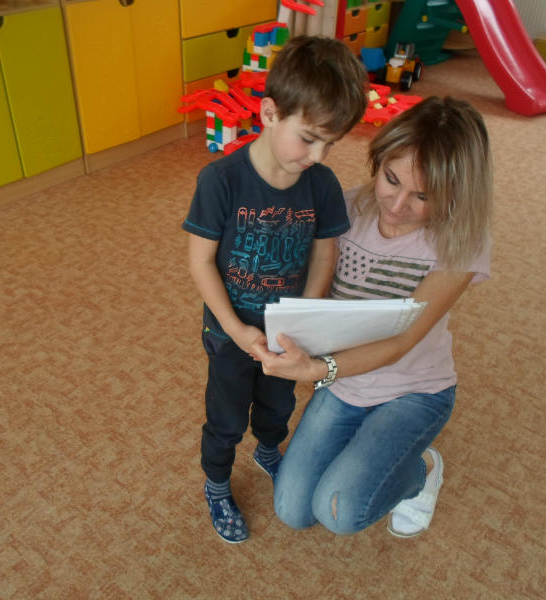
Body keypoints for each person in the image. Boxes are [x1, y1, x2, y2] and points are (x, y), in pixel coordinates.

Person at [253, 96, 493, 538]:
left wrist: (316, 369)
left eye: (423, 196)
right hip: (345, 383)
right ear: (378, 160)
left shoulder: (462, 239)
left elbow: (401, 342)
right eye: (391, 179)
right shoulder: (344, 207)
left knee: (339, 512)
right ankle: (378, 451)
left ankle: (422, 470)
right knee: (293, 510)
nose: (398, 205)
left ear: (456, 194)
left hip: (414, 390)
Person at [182, 35, 368, 543]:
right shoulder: (220, 181)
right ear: (269, 113)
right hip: (230, 331)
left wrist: (305, 316)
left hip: (287, 334)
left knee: (277, 405)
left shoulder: (322, 185)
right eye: (308, 138)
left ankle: (268, 450)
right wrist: (236, 329)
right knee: (225, 416)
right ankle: (217, 484)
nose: (318, 155)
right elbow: (200, 262)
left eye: (331, 143)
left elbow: (325, 253)